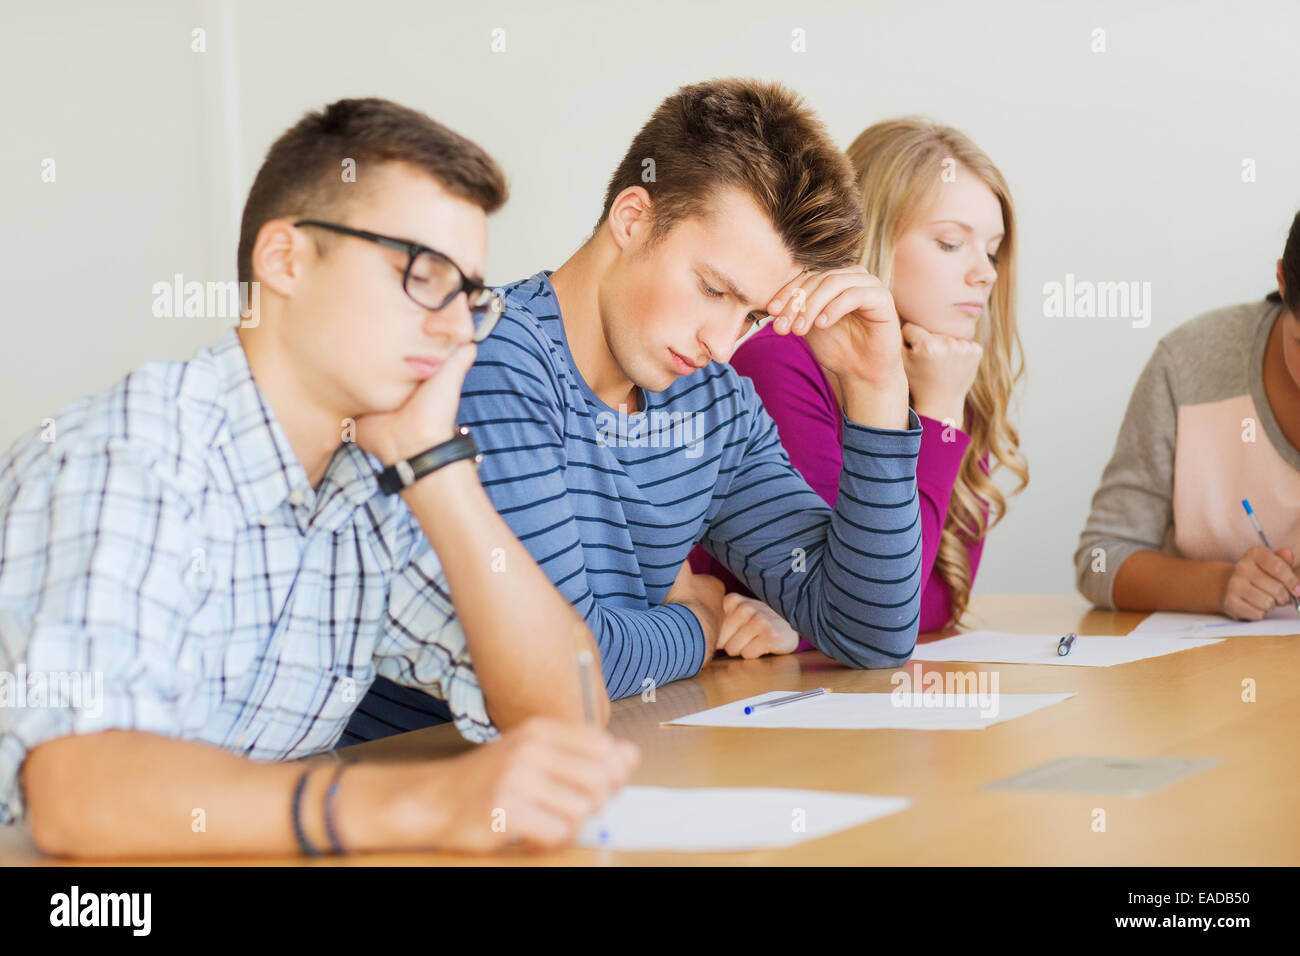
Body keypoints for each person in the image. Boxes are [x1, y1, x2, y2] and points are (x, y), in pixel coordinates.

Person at [0, 97, 637, 859]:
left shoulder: (368, 478)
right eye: (422, 273)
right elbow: (77, 795)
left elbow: (568, 713)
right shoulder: (131, 456)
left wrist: (438, 468)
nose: (457, 328)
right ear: (285, 260)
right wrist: (422, 801)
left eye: (470, 296)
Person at [350, 78, 926, 739]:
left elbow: (871, 631)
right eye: (713, 288)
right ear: (633, 218)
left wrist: (877, 388)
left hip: (590, 778)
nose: (722, 343)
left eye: (754, 315)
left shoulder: (716, 407)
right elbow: (567, 665)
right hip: (414, 785)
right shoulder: (491, 357)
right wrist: (704, 621)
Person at [689, 118, 1029, 657]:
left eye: (992, 251)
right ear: (871, 241)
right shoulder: (782, 359)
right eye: (949, 243)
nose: (985, 273)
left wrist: (802, 630)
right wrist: (938, 415)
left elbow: (942, 600)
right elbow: (876, 600)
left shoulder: (950, 371)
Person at [1076, 210, 1300, 619]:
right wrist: (1219, 585)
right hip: (1203, 677)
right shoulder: (1186, 365)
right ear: (1283, 281)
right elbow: (1099, 558)